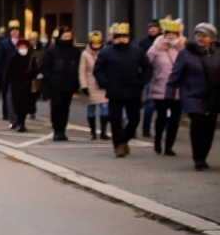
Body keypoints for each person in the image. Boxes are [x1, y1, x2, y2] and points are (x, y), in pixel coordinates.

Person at [93, 23, 152, 158]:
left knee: (134, 119)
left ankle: (124, 140)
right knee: (115, 119)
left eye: (124, 36)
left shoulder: (137, 51)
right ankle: (118, 145)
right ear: (113, 38)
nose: (121, 39)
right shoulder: (106, 52)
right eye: (118, 37)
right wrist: (105, 83)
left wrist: (141, 82)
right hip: (114, 91)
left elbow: (147, 68)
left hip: (133, 90)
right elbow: (98, 70)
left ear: (128, 37)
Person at [170, 23, 219, 170]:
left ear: (212, 38)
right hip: (193, 95)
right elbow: (175, 75)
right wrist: (169, 95)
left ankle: (203, 155)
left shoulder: (217, 52)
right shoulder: (186, 53)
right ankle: (198, 158)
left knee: (209, 127)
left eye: (204, 36)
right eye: (198, 35)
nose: (200, 38)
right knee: (197, 124)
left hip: (213, 96)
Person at [147, 18, 186, 156]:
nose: (171, 36)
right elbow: (147, 63)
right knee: (162, 116)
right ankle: (158, 140)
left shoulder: (183, 48)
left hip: (178, 89)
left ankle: (169, 146)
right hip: (161, 87)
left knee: (175, 119)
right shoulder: (156, 47)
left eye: (174, 34)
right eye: (168, 34)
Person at [39, 27, 80, 141]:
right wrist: (49, 78)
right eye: (64, 36)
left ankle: (63, 130)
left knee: (65, 108)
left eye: (69, 36)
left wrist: (76, 82)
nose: (67, 38)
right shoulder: (52, 50)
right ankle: (56, 130)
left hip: (69, 84)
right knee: (56, 106)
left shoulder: (75, 52)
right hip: (55, 84)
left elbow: (77, 68)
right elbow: (44, 66)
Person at [0, 34, 39, 132]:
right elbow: (8, 73)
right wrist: (4, 86)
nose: (23, 49)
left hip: (27, 85)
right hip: (16, 85)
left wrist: (32, 72)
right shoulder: (13, 59)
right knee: (17, 105)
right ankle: (18, 121)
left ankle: (22, 123)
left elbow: (36, 71)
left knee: (25, 105)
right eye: (21, 47)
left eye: (24, 47)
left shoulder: (30, 59)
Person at [79, 30, 110, 140]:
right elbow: (82, 71)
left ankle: (103, 131)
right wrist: (84, 86)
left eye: (98, 43)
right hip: (90, 83)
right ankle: (93, 132)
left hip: (102, 84)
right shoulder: (85, 54)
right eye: (94, 43)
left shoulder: (105, 52)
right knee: (91, 108)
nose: (96, 45)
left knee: (104, 107)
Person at [0, 21, 20, 121]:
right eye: (13, 30)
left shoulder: (22, 43)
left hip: (18, 73)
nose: (15, 32)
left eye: (17, 30)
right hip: (6, 72)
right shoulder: (4, 44)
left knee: (17, 95)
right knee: (6, 94)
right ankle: (6, 113)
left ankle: (17, 113)